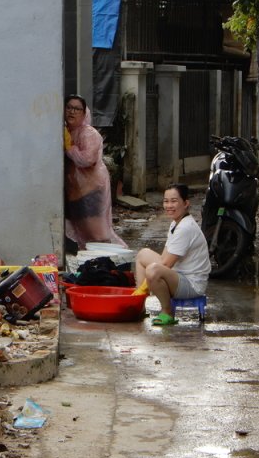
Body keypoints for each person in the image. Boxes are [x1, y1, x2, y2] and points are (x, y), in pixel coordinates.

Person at [134, 183, 211, 325]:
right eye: (166, 201)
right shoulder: (176, 223)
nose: (169, 205)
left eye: (174, 201)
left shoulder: (185, 228)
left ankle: (167, 311)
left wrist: (146, 284)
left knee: (153, 270)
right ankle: (139, 304)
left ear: (186, 203)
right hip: (178, 275)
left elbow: (166, 264)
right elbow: (164, 256)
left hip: (192, 283)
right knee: (142, 255)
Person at [64, 94, 127, 251]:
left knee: (97, 231)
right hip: (76, 190)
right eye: (69, 107)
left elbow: (87, 159)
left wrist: (70, 148)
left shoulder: (89, 133)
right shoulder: (67, 131)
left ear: (84, 113)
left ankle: (114, 256)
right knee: (80, 230)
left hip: (92, 190)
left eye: (77, 109)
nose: (72, 112)